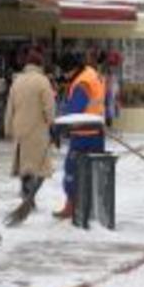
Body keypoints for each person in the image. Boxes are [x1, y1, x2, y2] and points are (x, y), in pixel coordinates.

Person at [52, 50, 107, 219]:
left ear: (72, 69)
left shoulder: (82, 83)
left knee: (72, 169)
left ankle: (72, 206)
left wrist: (57, 128)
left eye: (65, 71)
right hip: (96, 131)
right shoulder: (91, 73)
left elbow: (74, 110)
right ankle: (90, 207)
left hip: (84, 134)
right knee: (91, 171)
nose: (64, 75)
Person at [3, 47, 56, 214]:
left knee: (25, 166)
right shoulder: (43, 81)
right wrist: (52, 125)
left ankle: (27, 198)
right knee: (41, 168)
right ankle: (29, 198)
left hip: (20, 130)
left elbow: (10, 107)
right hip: (37, 130)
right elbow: (49, 108)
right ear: (40, 64)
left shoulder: (17, 81)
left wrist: (8, 127)